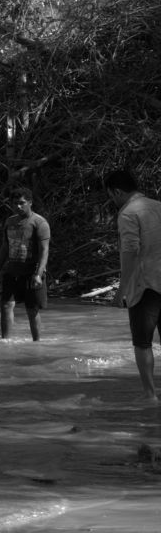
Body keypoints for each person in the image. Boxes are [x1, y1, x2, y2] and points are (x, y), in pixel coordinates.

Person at [105, 170, 161, 403]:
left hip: (144, 285)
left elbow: (131, 251)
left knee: (142, 342)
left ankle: (149, 394)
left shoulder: (128, 213)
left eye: (111, 196)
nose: (112, 201)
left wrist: (122, 290)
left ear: (117, 192)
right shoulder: (158, 206)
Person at [0, 186, 50, 340]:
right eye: (15, 203)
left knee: (32, 310)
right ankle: (6, 342)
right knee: (6, 305)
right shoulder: (9, 222)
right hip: (12, 270)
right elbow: (5, 247)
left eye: (22, 203)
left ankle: (37, 343)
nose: (18, 206)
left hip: (32, 272)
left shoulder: (39, 223)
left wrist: (39, 274)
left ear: (30, 202)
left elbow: (44, 251)